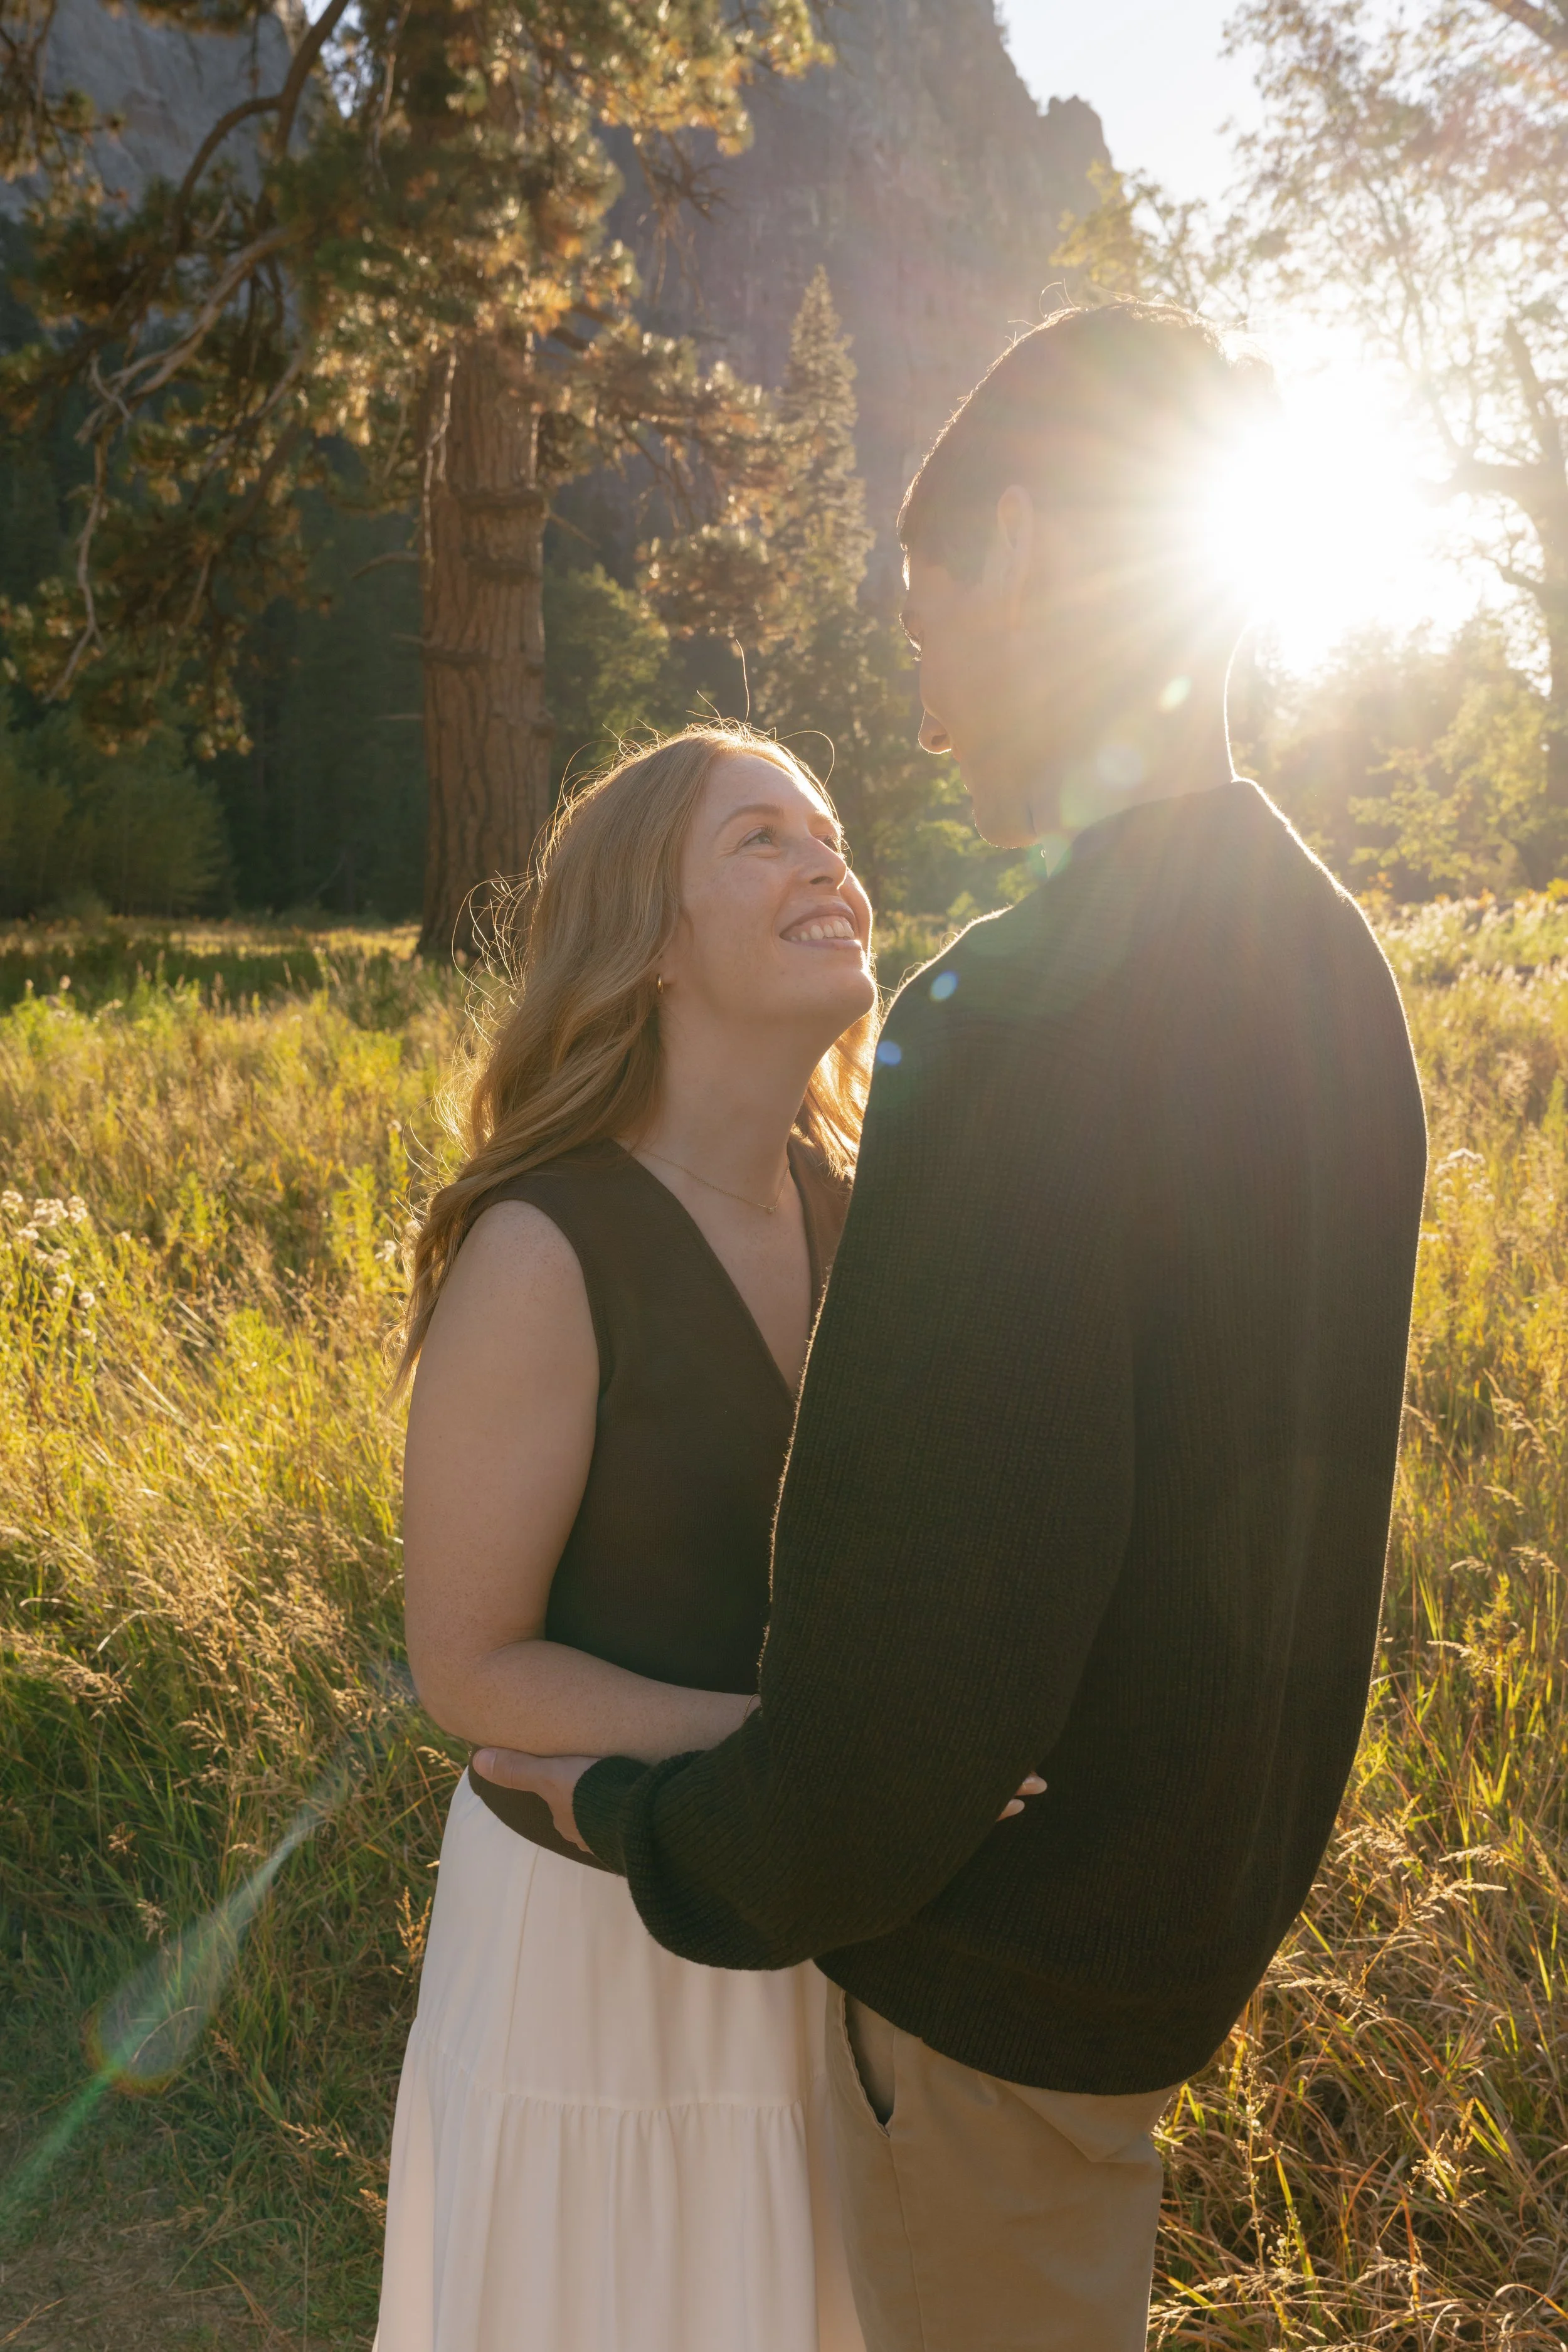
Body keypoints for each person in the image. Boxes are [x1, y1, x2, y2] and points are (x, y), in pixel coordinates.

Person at [476, 302, 1431, 2352]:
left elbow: (922, 1673)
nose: (916, 713)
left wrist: (641, 1823)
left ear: (1018, 550)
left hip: (993, 1993)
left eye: (919, 622)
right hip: (1151, 1966)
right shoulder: (1326, 965)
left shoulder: (1022, 1020)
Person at [374, 727, 879, 2352]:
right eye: (761, 840)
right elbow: (469, 1663)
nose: (826, 862)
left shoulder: (860, 1206)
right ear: (646, 939)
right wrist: (792, 1748)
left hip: (801, 1912)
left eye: (829, 830)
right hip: (593, 1945)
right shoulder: (542, 1241)